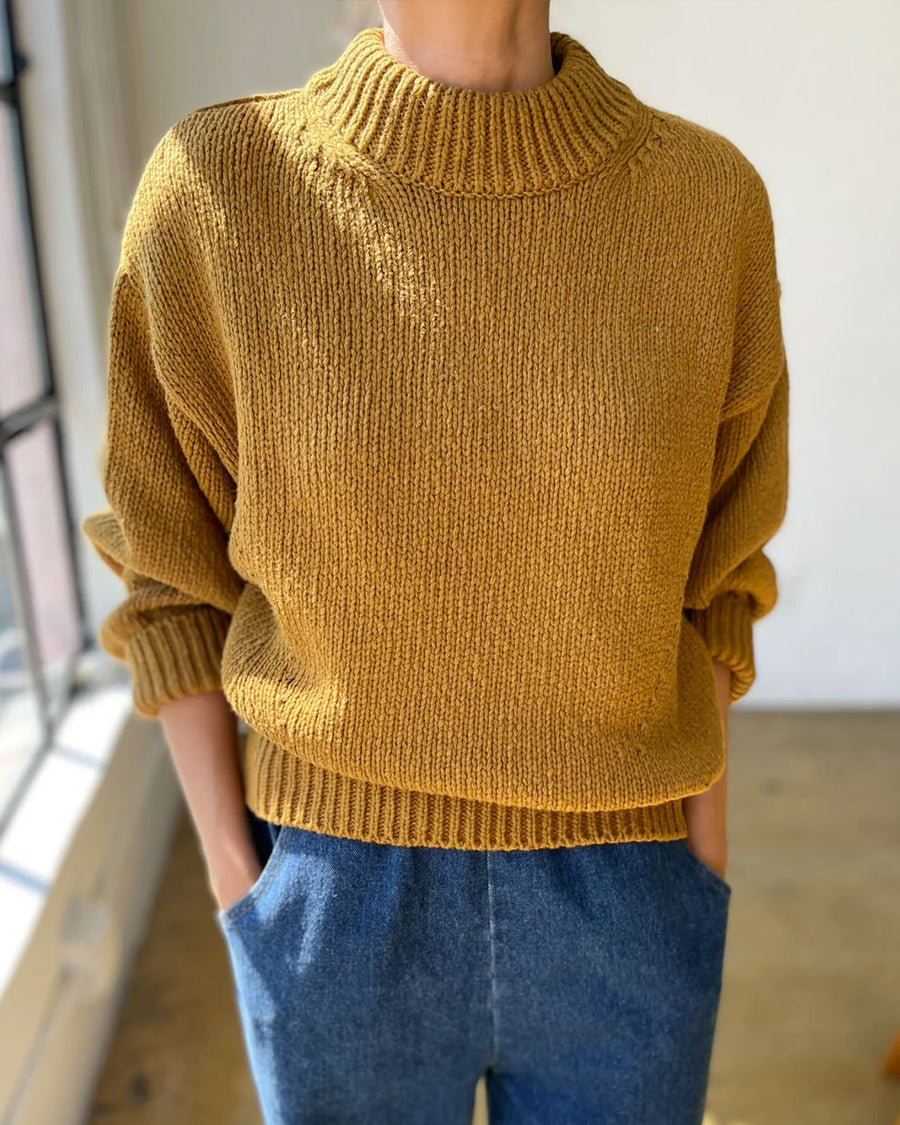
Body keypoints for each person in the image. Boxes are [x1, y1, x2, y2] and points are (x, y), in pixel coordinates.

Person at [81, 0, 789, 1121]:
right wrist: (240, 875)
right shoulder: (221, 187)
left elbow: (722, 573)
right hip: (332, 898)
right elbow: (169, 570)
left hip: (631, 887)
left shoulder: (707, 202)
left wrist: (699, 856)